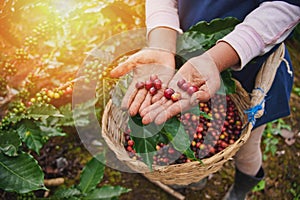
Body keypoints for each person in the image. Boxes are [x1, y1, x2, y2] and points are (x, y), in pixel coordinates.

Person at [110, 1, 300, 199]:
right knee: (193, 136)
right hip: (184, 60)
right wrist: (162, 44)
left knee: (246, 150)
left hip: (250, 67)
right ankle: (198, 174)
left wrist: (216, 59)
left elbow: (287, 7)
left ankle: (241, 189)